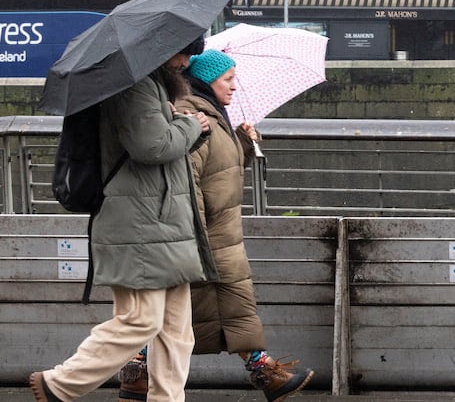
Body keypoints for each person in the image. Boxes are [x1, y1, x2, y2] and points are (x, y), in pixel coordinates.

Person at [116, 49, 315, 402]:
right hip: (208, 236)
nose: (234, 86)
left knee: (193, 312)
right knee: (226, 307)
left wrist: (242, 141)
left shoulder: (214, 116)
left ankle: (137, 370)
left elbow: (220, 170)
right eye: (228, 79)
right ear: (208, 81)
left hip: (220, 234)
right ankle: (266, 372)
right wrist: (195, 234)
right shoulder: (193, 116)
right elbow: (187, 179)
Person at [30, 37, 217, 402]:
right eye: (183, 53)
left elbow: (161, 148)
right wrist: (192, 126)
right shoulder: (135, 86)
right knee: (140, 320)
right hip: (139, 224)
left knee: (176, 331)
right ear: (165, 48)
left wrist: (184, 127)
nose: (186, 62)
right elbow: (151, 146)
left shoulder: (150, 83)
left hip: (162, 223)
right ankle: (60, 383)